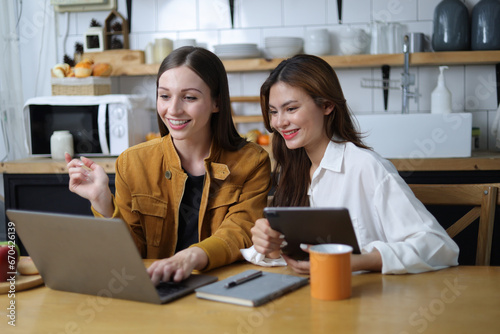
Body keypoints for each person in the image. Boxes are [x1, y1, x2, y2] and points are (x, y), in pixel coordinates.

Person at [65, 46, 271, 284]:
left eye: (190, 97)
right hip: (155, 288)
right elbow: (132, 254)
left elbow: (239, 232)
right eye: (164, 96)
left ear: (217, 103)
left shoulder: (252, 162)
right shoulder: (132, 162)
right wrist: (102, 200)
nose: (173, 109)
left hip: (223, 287)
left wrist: (190, 257)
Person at [249, 54, 459, 274]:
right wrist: (272, 247)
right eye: (273, 112)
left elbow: (440, 247)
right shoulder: (294, 172)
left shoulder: (365, 166)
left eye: (291, 109)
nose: (279, 122)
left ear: (327, 105)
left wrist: (359, 261)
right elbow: (301, 257)